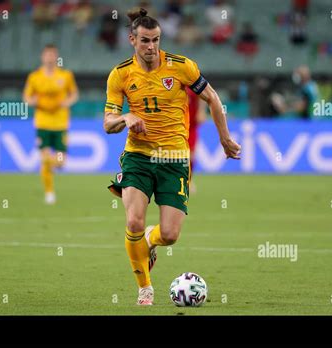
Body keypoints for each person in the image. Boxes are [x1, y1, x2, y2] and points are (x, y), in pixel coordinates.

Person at [103, 8, 241, 305]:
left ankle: (151, 241)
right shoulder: (121, 74)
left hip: (175, 158)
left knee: (170, 234)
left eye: (155, 40)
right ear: (132, 39)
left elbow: (213, 98)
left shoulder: (182, 67)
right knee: (134, 221)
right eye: (144, 41)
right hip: (138, 157)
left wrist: (224, 138)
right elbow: (108, 123)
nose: (151, 47)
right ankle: (145, 288)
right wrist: (125, 118)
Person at [23, 44, 79, 204]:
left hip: (61, 124)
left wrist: (66, 102)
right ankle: (49, 192)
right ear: (42, 57)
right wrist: (33, 101)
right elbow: (27, 97)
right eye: (47, 55)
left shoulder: (65, 75)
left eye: (52, 55)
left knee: (60, 162)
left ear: (56, 57)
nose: (50, 58)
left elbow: (74, 94)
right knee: (45, 156)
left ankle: (48, 161)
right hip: (43, 124)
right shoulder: (34, 77)